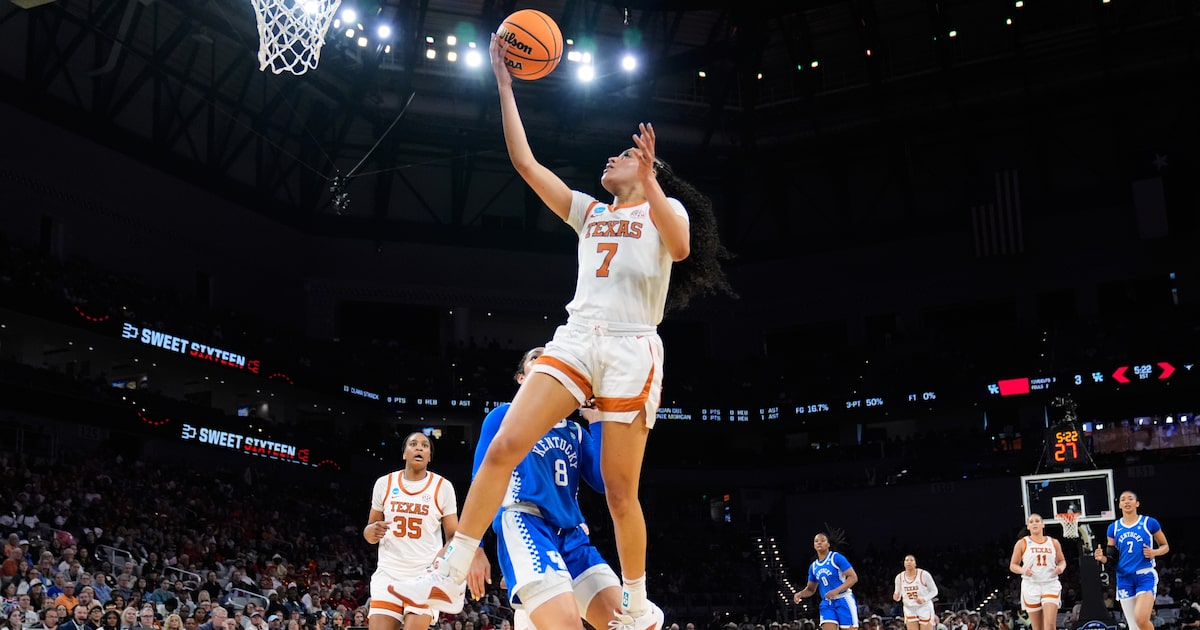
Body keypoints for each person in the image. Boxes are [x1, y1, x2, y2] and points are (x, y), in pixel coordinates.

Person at [390, 26, 733, 627]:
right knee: (503, 446)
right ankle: (453, 566)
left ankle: (635, 598)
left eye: (623, 154)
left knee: (622, 491)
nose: (612, 157)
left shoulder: (663, 209)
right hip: (576, 337)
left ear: (647, 168)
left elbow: (680, 250)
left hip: (631, 348)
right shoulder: (590, 211)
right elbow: (525, 163)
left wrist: (651, 180)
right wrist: (504, 83)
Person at [469, 347, 632, 630]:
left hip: (572, 536)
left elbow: (605, 482)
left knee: (627, 622)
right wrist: (473, 546)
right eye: (536, 357)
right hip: (525, 523)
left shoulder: (576, 432)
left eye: (551, 358)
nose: (545, 360)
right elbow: (478, 480)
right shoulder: (504, 415)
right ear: (521, 378)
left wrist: (598, 423)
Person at [362, 432, 459, 630]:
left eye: (424, 446)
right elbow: (369, 531)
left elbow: (453, 537)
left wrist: (441, 560)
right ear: (404, 454)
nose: (419, 448)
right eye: (413, 444)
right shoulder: (384, 483)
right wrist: (371, 532)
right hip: (389, 573)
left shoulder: (443, 487)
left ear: (429, 456)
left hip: (424, 576)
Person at [1093, 491, 1169, 630]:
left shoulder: (1149, 522)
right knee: (1134, 626)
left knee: (1141, 619)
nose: (1127, 501)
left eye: (1130, 499)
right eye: (1123, 499)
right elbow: (1111, 560)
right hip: (1124, 579)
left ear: (1137, 503)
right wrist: (1102, 558)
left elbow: (1165, 546)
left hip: (1144, 575)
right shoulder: (1113, 528)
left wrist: (1154, 552)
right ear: (1120, 505)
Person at [792, 533, 859, 630]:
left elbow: (853, 577)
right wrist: (800, 594)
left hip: (843, 599)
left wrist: (836, 590)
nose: (819, 543)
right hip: (827, 603)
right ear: (814, 545)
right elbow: (811, 589)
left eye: (822, 540)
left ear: (828, 544)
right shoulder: (813, 567)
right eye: (816, 541)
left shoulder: (836, 557)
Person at [1009, 514, 1065, 630]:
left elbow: (1062, 561)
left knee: (1049, 625)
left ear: (1043, 524)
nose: (1034, 523)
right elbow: (1013, 565)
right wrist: (1023, 570)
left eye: (1037, 521)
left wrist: (1060, 568)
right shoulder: (1022, 543)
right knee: (1037, 627)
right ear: (1028, 526)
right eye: (1031, 522)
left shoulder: (1053, 542)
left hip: (1050, 583)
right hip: (1031, 585)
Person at [893, 555, 938, 630]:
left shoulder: (924, 574)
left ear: (915, 563)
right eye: (907, 560)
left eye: (911, 560)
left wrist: (924, 599)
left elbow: (934, 591)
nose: (909, 562)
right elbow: (897, 596)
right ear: (904, 563)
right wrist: (896, 597)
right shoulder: (899, 577)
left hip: (924, 607)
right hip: (909, 608)